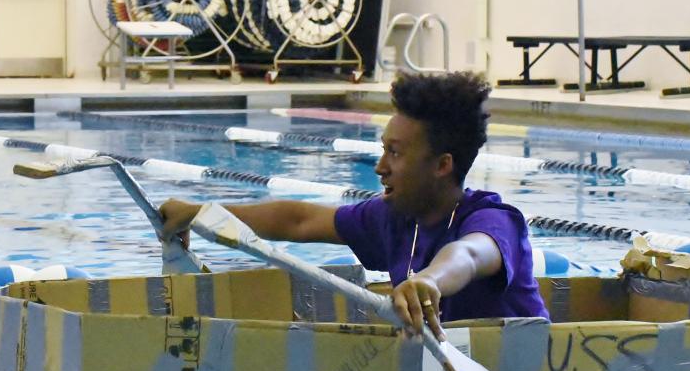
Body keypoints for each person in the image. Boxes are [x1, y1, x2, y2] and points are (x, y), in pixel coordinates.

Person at [160, 71, 548, 340]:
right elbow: (298, 220)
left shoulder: (493, 221)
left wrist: (430, 280)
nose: (380, 167)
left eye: (394, 153)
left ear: (442, 165)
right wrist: (199, 213)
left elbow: (468, 255)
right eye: (383, 150)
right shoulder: (395, 218)